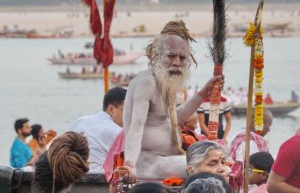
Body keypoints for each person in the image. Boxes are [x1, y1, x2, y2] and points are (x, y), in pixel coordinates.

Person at [122, 20, 224, 181]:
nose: (176, 62)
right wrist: (129, 164)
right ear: (156, 55)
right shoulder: (147, 82)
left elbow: (176, 118)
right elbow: (136, 127)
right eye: (171, 55)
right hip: (148, 164)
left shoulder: (165, 81)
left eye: (182, 58)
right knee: (209, 166)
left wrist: (205, 92)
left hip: (167, 159)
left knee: (223, 157)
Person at [70, 87, 127, 173]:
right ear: (111, 109)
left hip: (72, 178)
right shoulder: (118, 132)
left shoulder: (80, 121)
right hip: (101, 182)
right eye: (126, 111)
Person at [229, 109, 273, 190]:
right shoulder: (249, 142)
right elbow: (245, 173)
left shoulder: (238, 136)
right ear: (260, 123)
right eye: (269, 125)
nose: (269, 129)